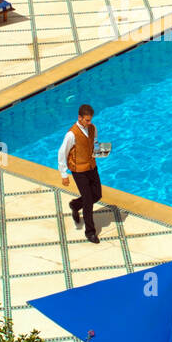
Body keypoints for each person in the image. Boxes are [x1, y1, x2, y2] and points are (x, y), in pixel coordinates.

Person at [59, 104, 102, 243]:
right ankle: (90, 232)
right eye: (87, 120)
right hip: (79, 171)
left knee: (97, 195)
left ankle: (76, 205)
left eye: (90, 120)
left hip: (92, 166)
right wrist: (64, 174)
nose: (89, 123)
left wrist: (100, 151)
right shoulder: (71, 134)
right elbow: (62, 153)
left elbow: (94, 142)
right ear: (80, 118)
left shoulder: (93, 128)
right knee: (88, 201)